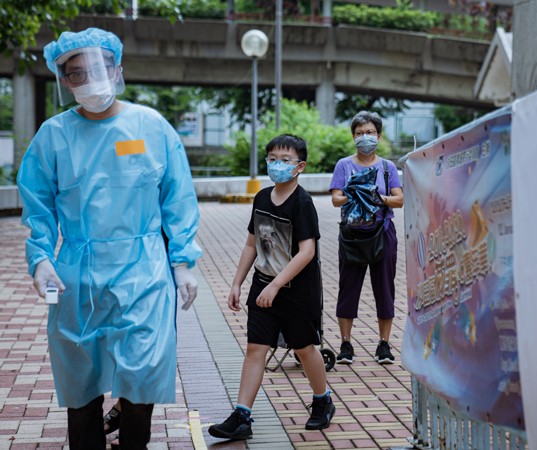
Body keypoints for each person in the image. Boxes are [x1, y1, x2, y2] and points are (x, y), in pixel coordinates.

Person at [16, 27, 202, 449]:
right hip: (78, 275)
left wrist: (183, 262)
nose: (90, 80)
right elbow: (38, 204)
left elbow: (177, 197)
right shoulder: (54, 135)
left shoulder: (150, 126)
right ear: (64, 80)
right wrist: (40, 257)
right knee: (80, 381)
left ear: (118, 68)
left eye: (98, 68)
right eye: (77, 73)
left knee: (142, 377)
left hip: (145, 271)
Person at [209, 134, 335, 440]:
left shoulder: (303, 203)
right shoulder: (262, 198)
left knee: (305, 348)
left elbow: (307, 252)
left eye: (285, 160)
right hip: (262, 286)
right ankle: (242, 416)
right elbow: (252, 243)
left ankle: (323, 401)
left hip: (296, 291)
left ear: (300, 166)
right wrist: (237, 282)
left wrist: (277, 285)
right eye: (272, 159)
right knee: (256, 348)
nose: (277, 165)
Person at [329, 111, 404, 365]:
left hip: (382, 233)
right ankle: (346, 344)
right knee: (348, 288)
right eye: (360, 133)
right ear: (353, 137)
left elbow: (400, 199)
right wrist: (354, 194)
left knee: (384, 288)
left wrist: (377, 198)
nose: (365, 137)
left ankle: (384, 344)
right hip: (351, 235)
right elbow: (335, 199)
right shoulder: (344, 165)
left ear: (379, 136)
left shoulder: (387, 167)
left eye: (370, 133)